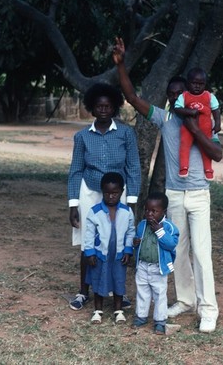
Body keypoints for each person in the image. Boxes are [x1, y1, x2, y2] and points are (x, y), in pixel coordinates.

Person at [113, 37, 222, 333]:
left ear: (187, 93)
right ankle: (185, 300)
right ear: (167, 97)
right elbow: (133, 98)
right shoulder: (164, 118)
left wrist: (193, 128)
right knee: (179, 250)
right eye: (170, 94)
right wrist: (121, 64)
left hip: (199, 194)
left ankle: (208, 309)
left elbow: (217, 154)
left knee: (201, 252)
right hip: (174, 194)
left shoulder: (203, 118)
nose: (175, 98)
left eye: (179, 93)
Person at [68, 82, 141, 311]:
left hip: (118, 194)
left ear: (115, 108)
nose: (103, 109)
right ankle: (83, 292)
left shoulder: (125, 133)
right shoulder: (82, 137)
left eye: (108, 106)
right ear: (92, 107)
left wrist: (131, 203)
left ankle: (119, 292)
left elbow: (134, 168)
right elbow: (75, 169)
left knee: (118, 242)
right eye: (99, 106)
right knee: (87, 243)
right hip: (89, 192)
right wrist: (73, 204)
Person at [84, 172, 135, 324]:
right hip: (101, 255)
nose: (111, 196)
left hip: (119, 255)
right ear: (102, 191)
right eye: (107, 193)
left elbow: (131, 231)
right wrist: (90, 252)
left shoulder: (127, 212)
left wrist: (128, 249)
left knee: (118, 280)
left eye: (115, 193)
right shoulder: (95, 212)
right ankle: (97, 310)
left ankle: (118, 310)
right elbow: (88, 234)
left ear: (122, 192)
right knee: (99, 279)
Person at [133, 191, 179, 335]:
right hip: (142, 265)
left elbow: (171, 245)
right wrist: (135, 243)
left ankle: (160, 321)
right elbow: (138, 240)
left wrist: (160, 231)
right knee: (142, 292)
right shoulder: (142, 225)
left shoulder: (169, 227)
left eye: (154, 211)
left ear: (163, 211)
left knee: (159, 294)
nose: (150, 214)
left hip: (158, 268)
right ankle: (141, 316)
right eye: (147, 210)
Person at [174, 67, 221, 180]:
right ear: (188, 83)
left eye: (201, 84)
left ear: (205, 84)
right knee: (184, 145)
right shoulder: (184, 96)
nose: (197, 86)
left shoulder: (209, 96)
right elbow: (177, 108)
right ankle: (184, 167)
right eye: (194, 83)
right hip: (188, 127)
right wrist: (189, 111)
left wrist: (218, 123)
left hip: (205, 127)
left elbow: (216, 109)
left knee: (205, 148)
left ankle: (208, 169)